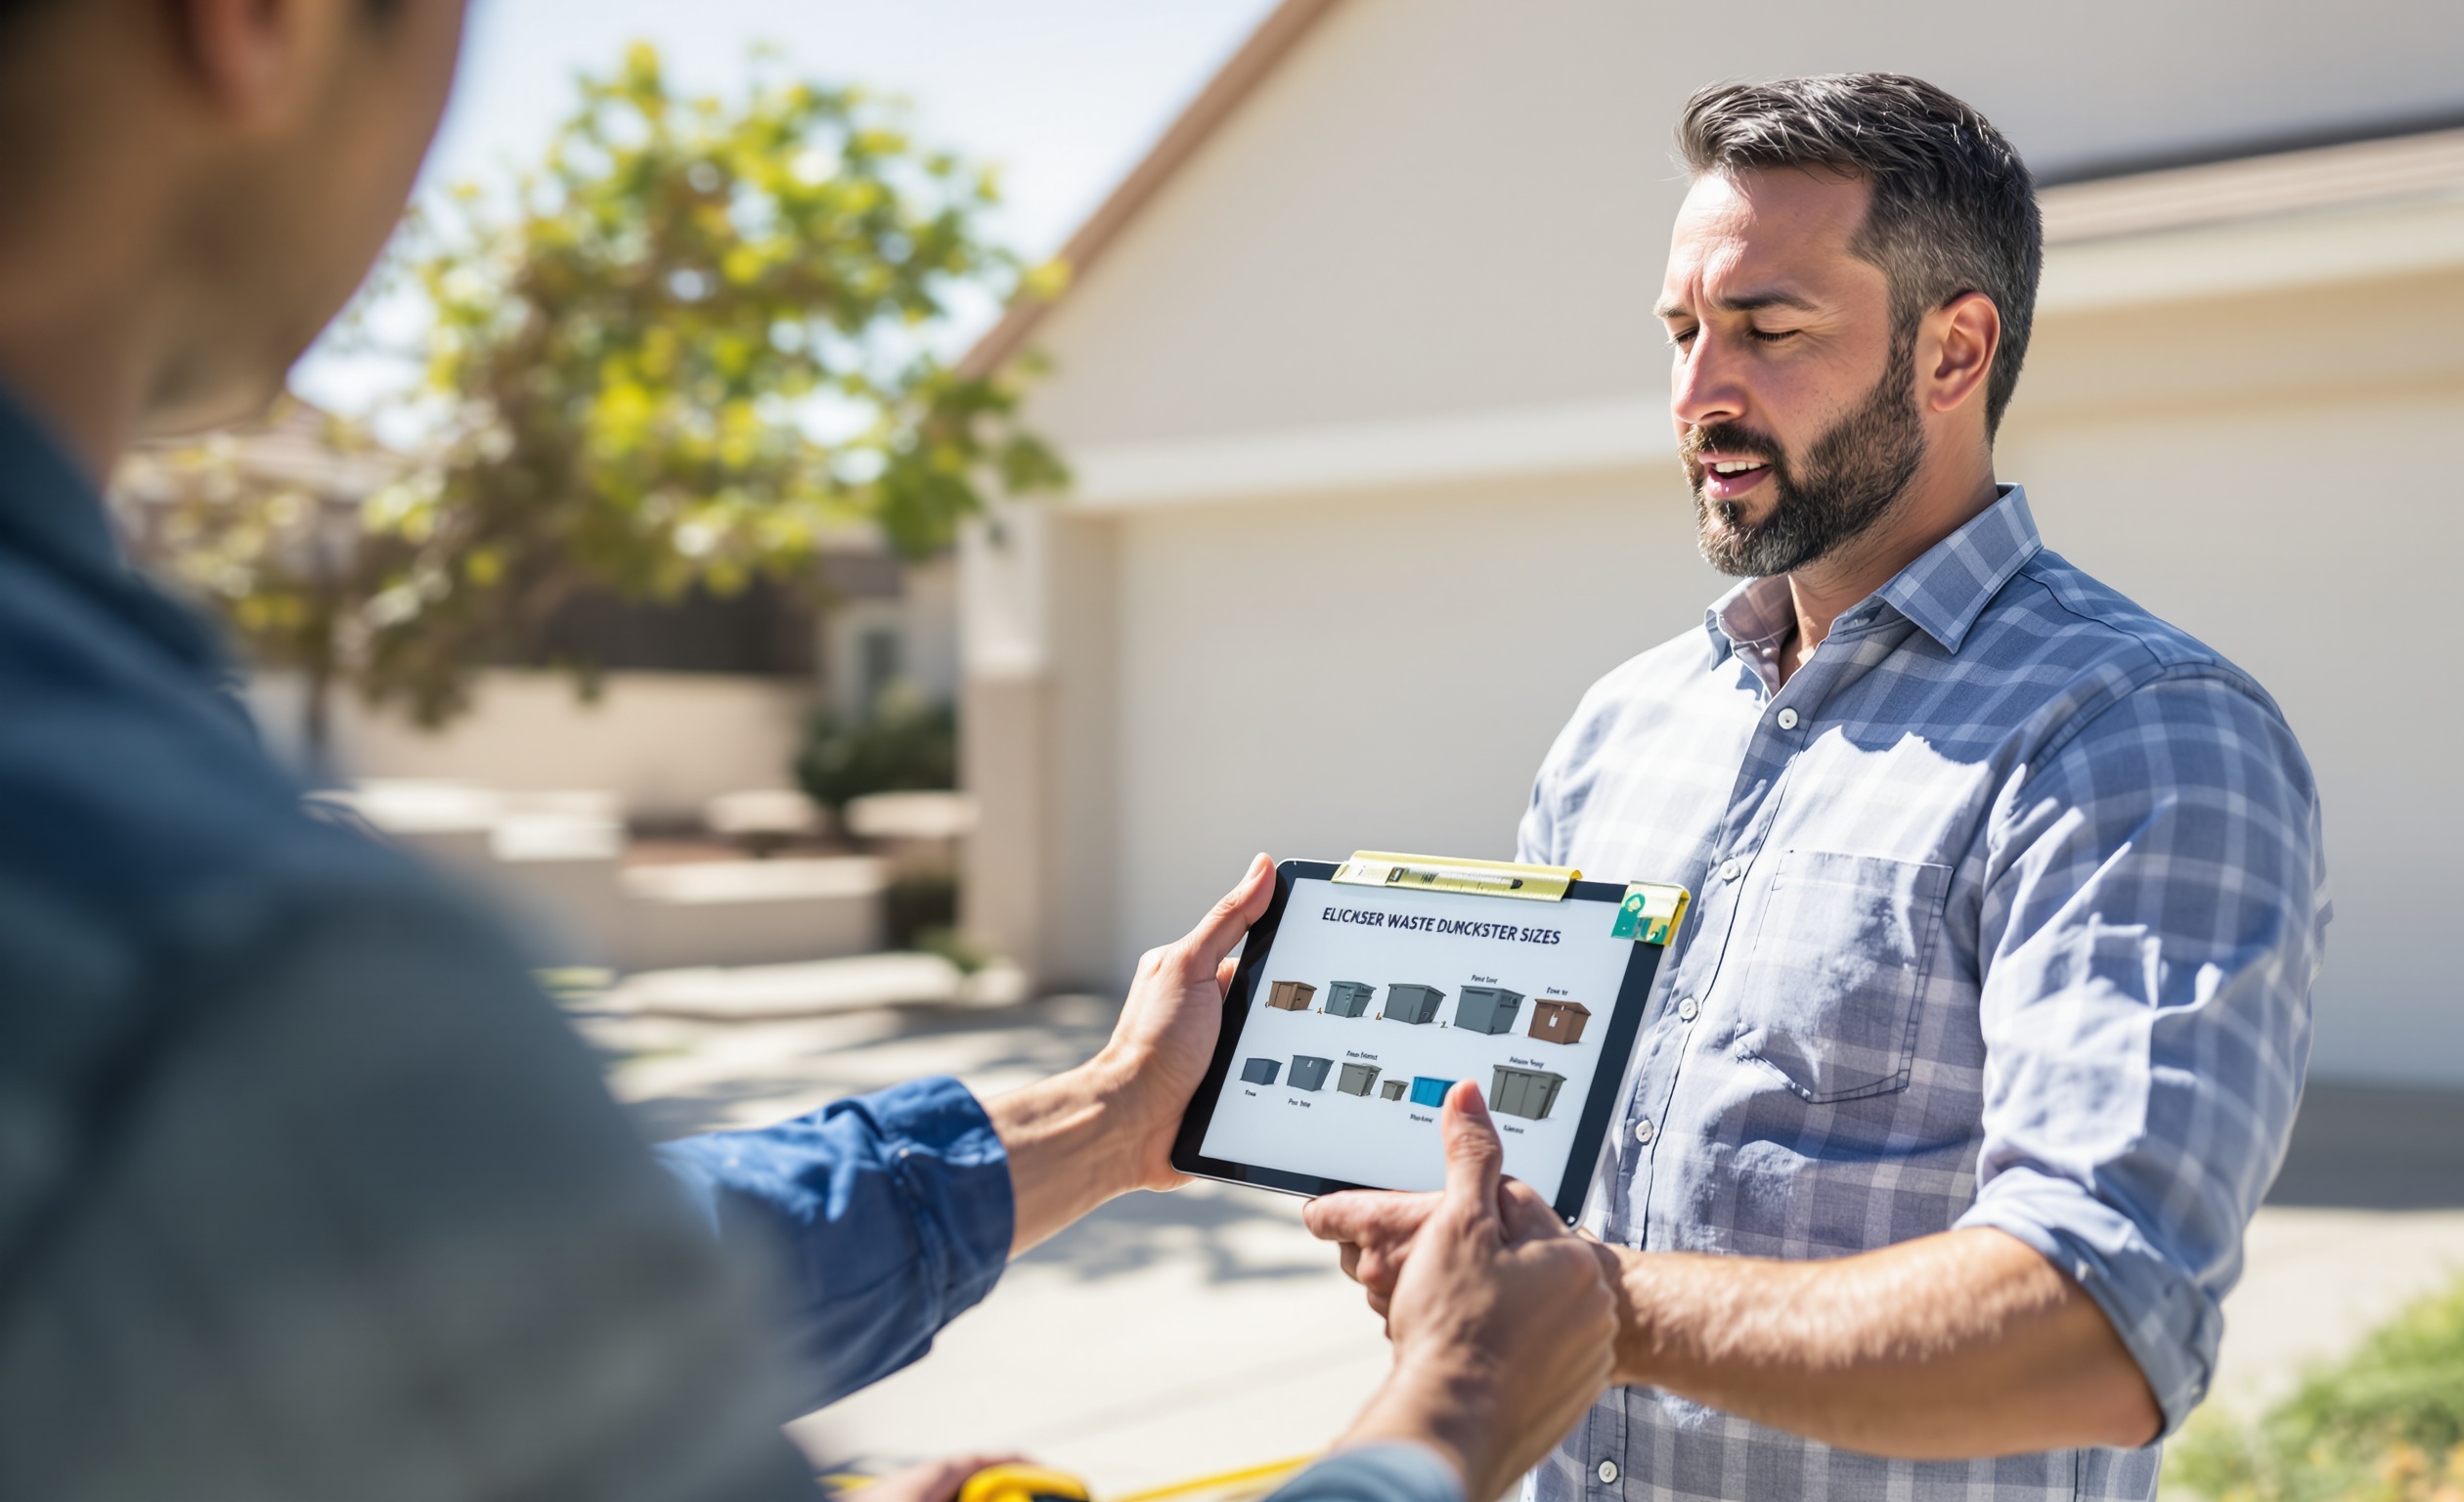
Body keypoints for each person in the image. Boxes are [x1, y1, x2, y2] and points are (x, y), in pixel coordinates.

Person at [0, 2, 1613, 1499]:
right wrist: (1452, 1411)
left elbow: (552, 1276)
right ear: (257, 22)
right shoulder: (230, 966)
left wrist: (1115, 1116)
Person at [1307, 74, 2330, 1502]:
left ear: (1954, 352)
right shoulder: (1623, 726)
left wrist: (1593, 1305)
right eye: (1683, 333)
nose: (1698, 397)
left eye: (1768, 331)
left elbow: (2104, 1321)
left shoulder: (2135, 734)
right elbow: (1532, 1172)